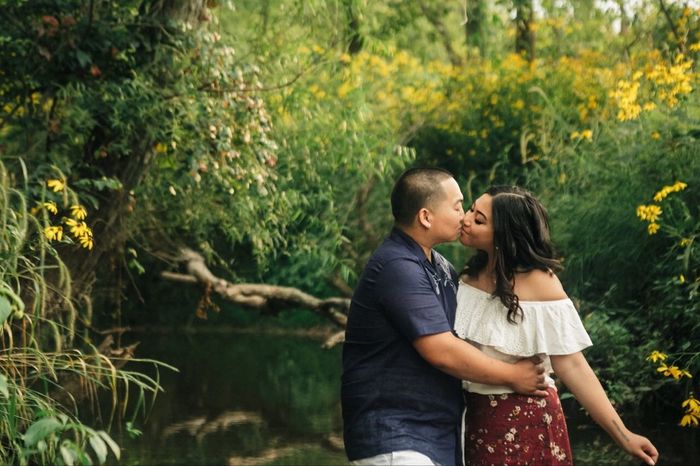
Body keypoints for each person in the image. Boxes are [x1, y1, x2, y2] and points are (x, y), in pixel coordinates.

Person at [341, 168, 550, 466]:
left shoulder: (439, 267)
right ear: (426, 217)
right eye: (457, 206)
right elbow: (441, 350)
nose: (464, 216)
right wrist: (513, 376)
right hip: (395, 435)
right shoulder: (396, 266)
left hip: (437, 437)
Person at [455, 185, 659, 466]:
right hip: (474, 420)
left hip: (529, 422)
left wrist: (623, 435)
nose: (465, 219)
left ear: (504, 237)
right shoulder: (466, 277)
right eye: (470, 210)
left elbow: (573, 366)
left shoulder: (542, 283)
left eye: (479, 220)